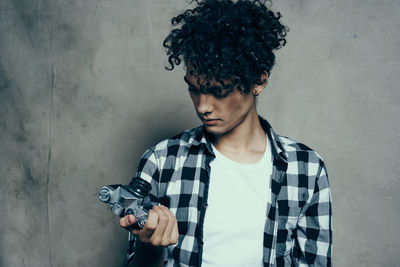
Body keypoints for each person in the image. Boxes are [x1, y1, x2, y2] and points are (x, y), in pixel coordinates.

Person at [119, 0, 332, 266]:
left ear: (259, 81)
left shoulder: (307, 169)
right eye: (194, 89)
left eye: (219, 91)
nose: (203, 106)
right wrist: (148, 243)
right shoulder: (162, 161)